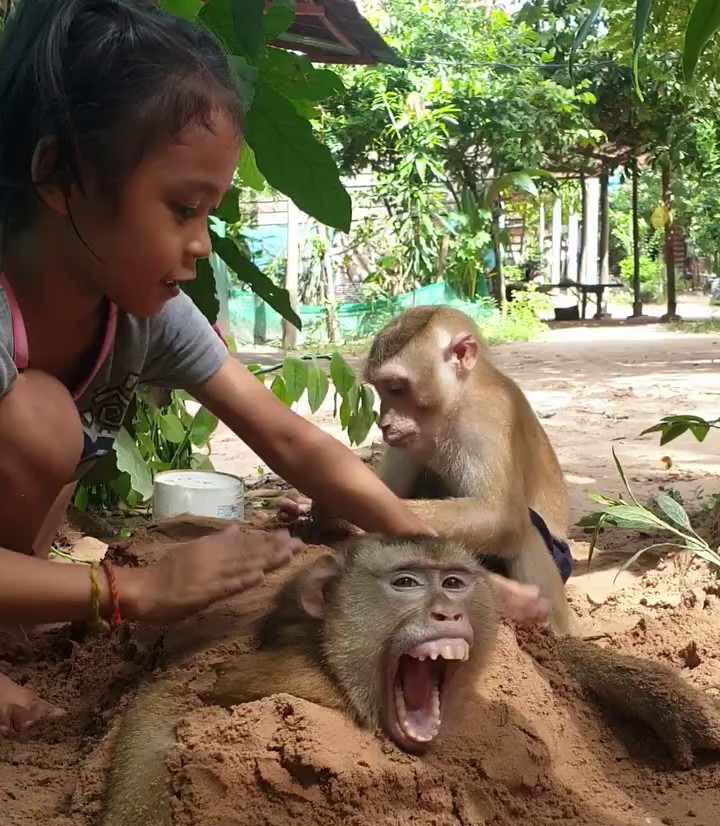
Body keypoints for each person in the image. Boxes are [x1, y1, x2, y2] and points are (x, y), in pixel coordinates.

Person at [0, 0, 543, 734]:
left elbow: (291, 442)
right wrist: (126, 591)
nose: (199, 244)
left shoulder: (140, 311)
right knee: (36, 420)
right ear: (58, 175)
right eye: (182, 207)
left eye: (210, 212)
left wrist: (448, 565)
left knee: (44, 421)